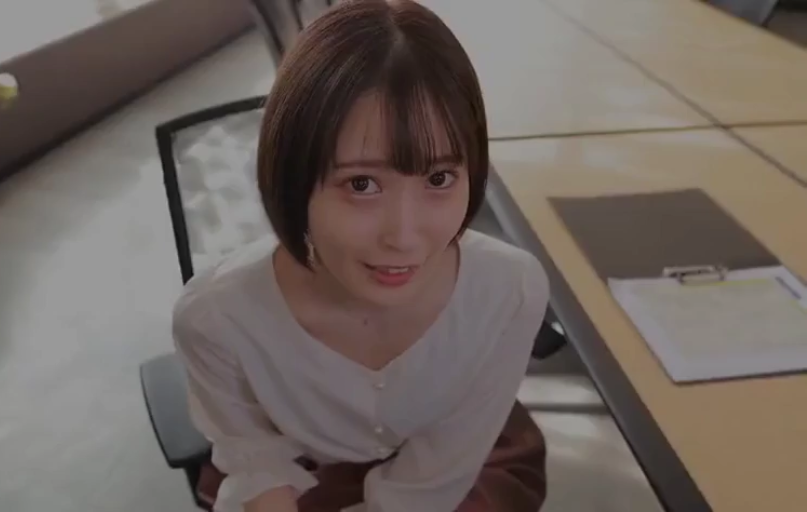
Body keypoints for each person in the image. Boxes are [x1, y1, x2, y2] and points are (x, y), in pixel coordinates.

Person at [171, 1, 551, 511]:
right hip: (306, 472)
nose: (405, 238)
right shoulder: (216, 320)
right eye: (361, 184)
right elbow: (254, 457)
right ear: (291, 178)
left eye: (439, 178)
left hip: (462, 464)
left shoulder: (510, 291)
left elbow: (440, 472)